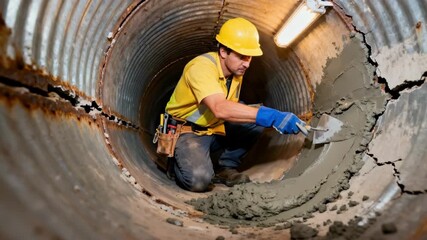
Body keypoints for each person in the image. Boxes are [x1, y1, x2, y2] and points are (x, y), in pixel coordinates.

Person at [164, 17, 304, 192]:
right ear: (223, 52)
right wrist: (271, 116)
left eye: (250, 57)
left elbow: (231, 105)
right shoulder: (201, 67)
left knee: (254, 119)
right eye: (241, 56)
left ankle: (225, 167)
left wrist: (261, 115)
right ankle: (175, 162)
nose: (246, 63)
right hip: (189, 133)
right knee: (199, 181)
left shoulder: (235, 71)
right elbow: (220, 108)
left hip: (215, 127)